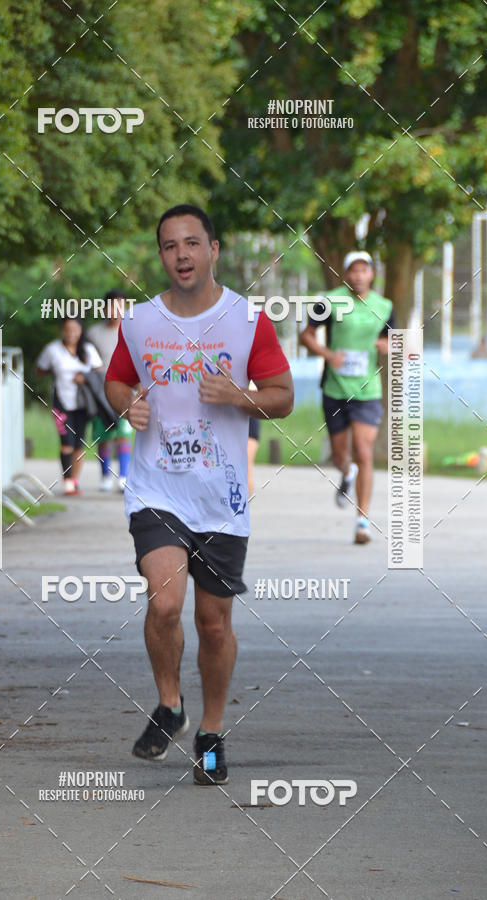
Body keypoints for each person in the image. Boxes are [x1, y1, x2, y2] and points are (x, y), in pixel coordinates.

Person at [105, 204, 293, 785]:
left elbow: (283, 395)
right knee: (164, 602)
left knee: (213, 624)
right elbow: (117, 378)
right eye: (169, 246)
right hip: (157, 488)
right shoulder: (139, 322)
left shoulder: (246, 321)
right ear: (160, 256)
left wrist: (240, 396)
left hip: (222, 497)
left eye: (192, 243)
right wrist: (125, 405)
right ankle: (169, 705)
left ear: (213, 249)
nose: (181, 254)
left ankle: (209, 731)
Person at [300, 250, 393, 544]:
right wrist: (328, 354)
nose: (358, 276)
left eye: (364, 270)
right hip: (335, 389)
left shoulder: (385, 305)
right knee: (341, 455)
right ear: (345, 274)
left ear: (372, 274)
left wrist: (388, 344)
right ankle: (346, 472)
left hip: (368, 391)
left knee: (364, 452)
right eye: (353, 270)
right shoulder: (329, 301)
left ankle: (362, 521)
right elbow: (306, 335)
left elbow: (395, 339)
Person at [36, 317, 102, 495]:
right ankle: (67, 482)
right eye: (67, 329)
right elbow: (40, 369)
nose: (71, 333)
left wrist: (84, 377)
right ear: (62, 330)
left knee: (79, 443)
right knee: (66, 443)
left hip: (83, 403)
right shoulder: (53, 349)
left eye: (75, 329)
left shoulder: (88, 350)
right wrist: (55, 372)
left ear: (81, 330)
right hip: (61, 403)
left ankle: (74, 480)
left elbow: (100, 370)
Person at [87, 289, 133, 492]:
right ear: (104, 308)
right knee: (103, 435)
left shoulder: (132, 330)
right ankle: (105, 476)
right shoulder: (93, 333)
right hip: (101, 391)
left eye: (120, 306)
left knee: (123, 434)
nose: (116, 310)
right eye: (112, 306)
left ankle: (123, 476)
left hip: (126, 389)